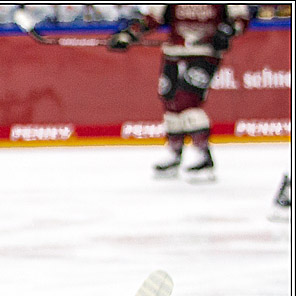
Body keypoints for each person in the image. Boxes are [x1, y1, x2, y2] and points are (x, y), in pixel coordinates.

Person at [108, 4, 251, 181]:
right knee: (170, 102)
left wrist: (226, 31)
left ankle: (203, 156)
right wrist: (128, 34)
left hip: (204, 53)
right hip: (174, 53)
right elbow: (153, 18)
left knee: (187, 101)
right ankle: (174, 155)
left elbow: (241, 19)